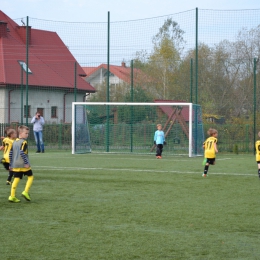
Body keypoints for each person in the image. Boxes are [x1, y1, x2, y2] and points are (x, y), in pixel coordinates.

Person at [8, 125, 34, 203]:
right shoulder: (24, 142)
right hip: (23, 164)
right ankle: (25, 192)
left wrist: (10, 164)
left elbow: (11, 153)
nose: (27, 135)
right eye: (26, 133)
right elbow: (22, 152)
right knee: (30, 177)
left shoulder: (14, 141)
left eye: (27, 133)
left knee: (16, 179)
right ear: (20, 133)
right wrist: (26, 163)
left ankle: (12, 196)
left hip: (15, 164)